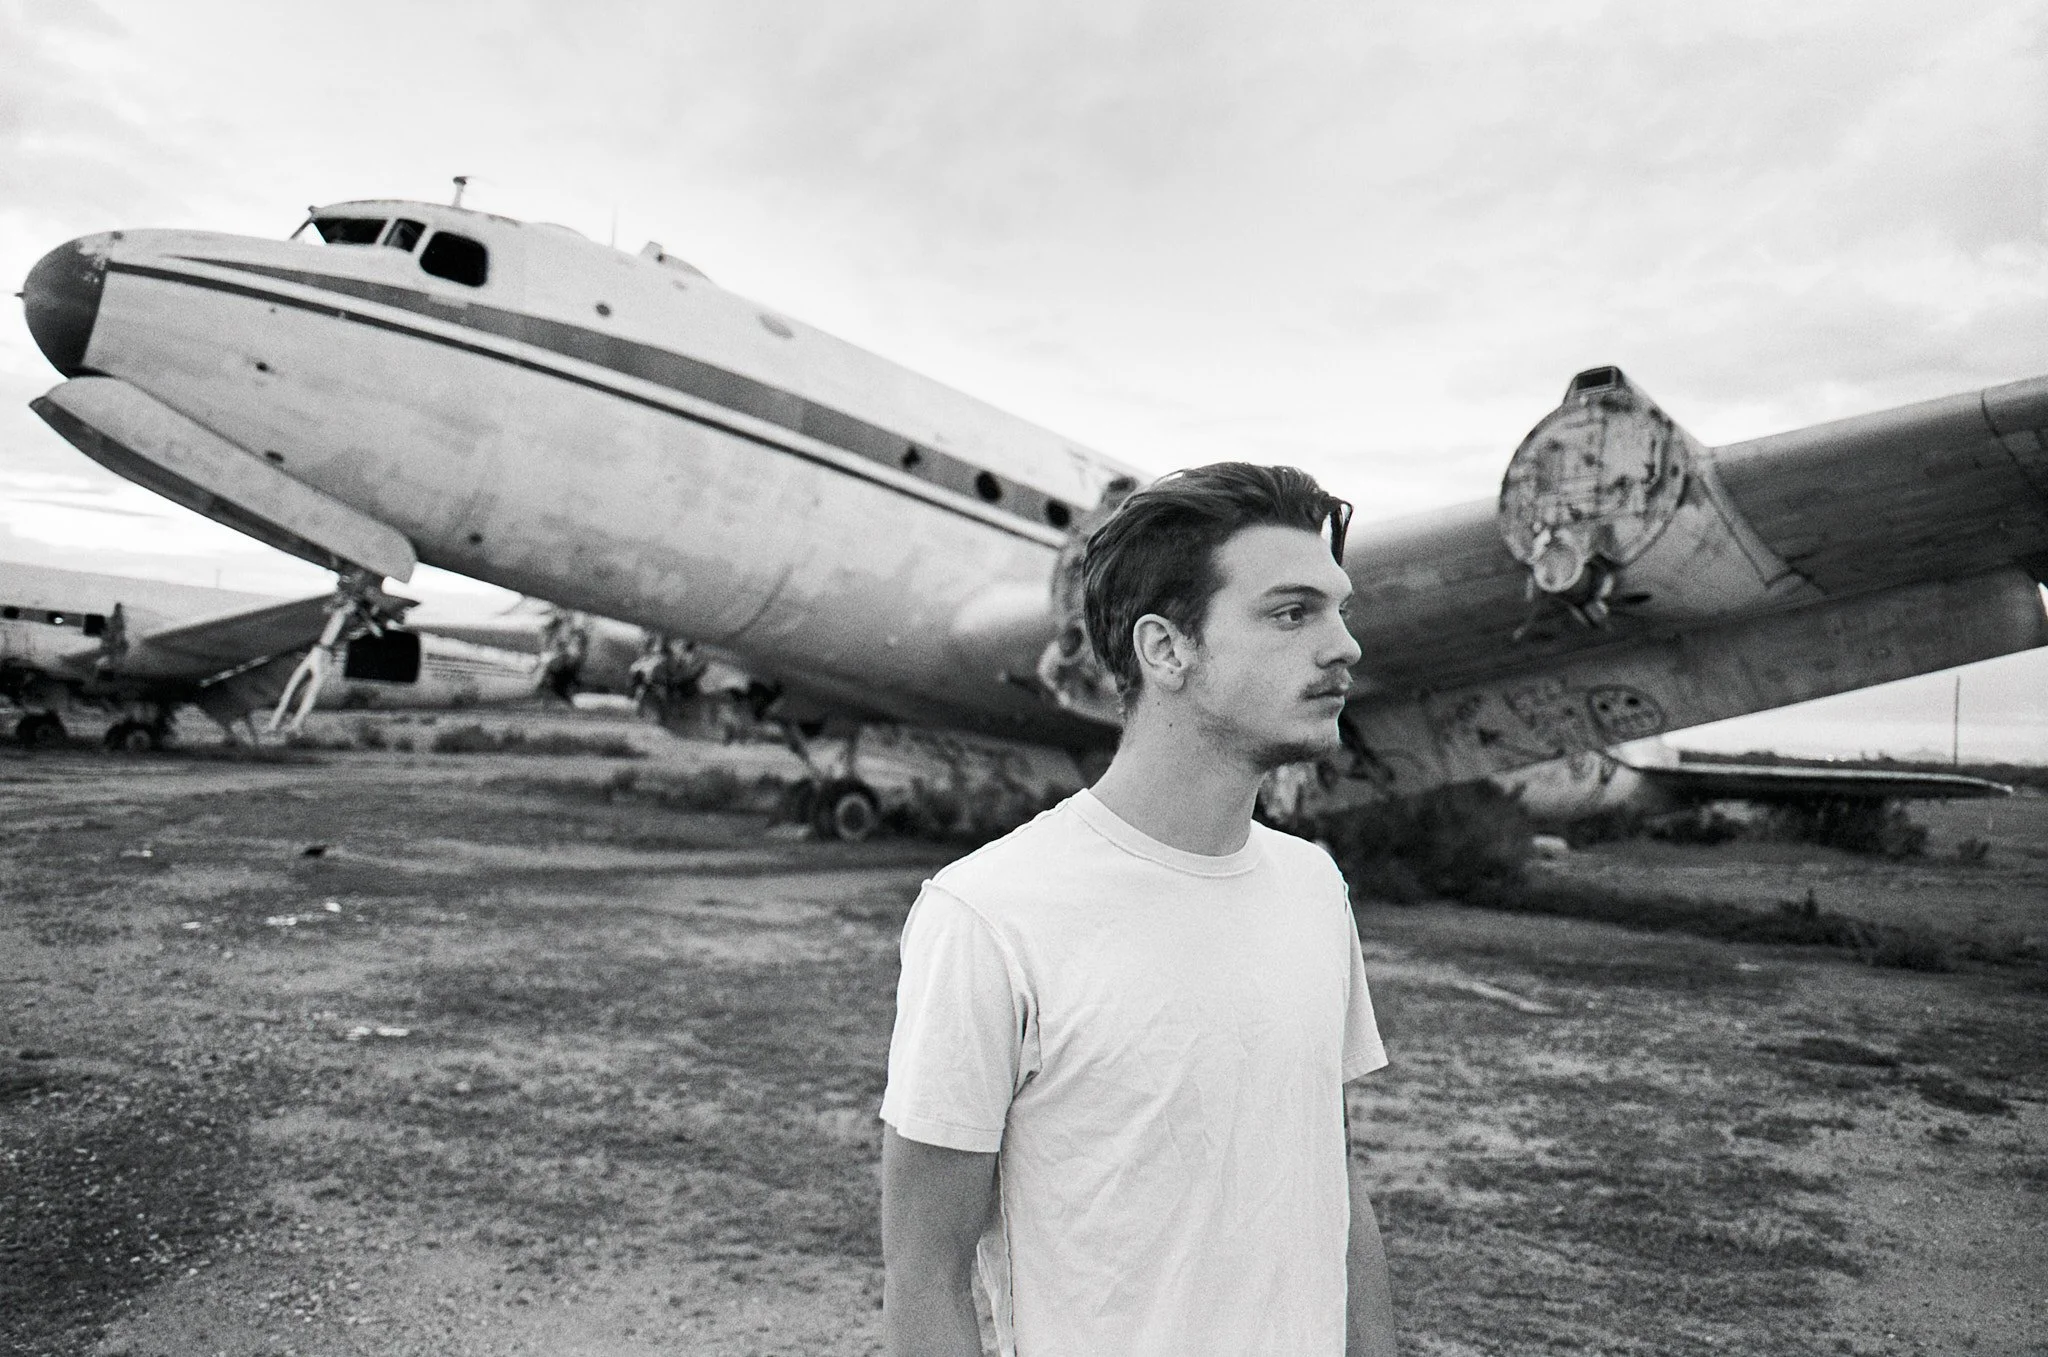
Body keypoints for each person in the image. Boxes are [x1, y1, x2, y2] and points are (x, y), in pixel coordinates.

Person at [879, 463, 1395, 1357]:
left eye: (1339, 610)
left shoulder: (1315, 886)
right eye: (1292, 612)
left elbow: (1333, 1184)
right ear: (1166, 649)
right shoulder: (989, 914)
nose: (1344, 645)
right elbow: (926, 1272)